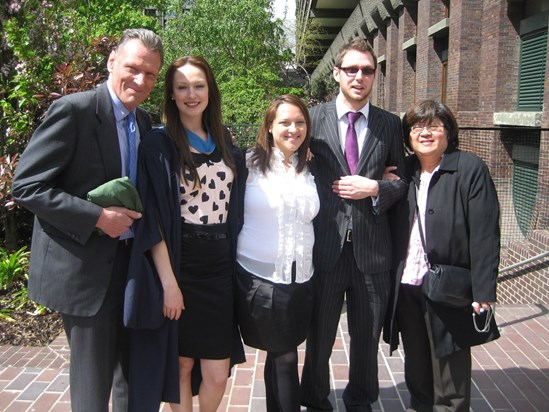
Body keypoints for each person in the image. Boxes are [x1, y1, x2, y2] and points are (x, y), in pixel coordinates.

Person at [11, 29, 163, 412]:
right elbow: (27, 186)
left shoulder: (144, 122)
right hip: (85, 272)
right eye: (133, 68)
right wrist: (97, 217)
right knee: (92, 387)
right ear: (112, 62)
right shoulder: (75, 111)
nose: (141, 80)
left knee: (131, 375)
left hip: (131, 268)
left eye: (151, 74)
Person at [123, 55, 244, 412]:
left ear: (210, 91)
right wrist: (169, 284)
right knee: (182, 364)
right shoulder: (158, 146)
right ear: (171, 95)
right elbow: (153, 218)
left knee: (218, 373)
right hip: (179, 259)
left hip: (220, 266)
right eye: (182, 87)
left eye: (198, 86)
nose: (191, 94)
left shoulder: (225, 143)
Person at [300, 37, 407, 412]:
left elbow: (403, 181)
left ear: (375, 75)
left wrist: (376, 186)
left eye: (367, 70)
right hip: (325, 248)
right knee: (320, 336)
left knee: (366, 339)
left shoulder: (390, 125)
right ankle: (314, 400)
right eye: (351, 69)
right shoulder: (312, 120)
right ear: (337, 73)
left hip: (372, 251)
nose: (359, 76)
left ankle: (361, 400)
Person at [384, 99, 500, 411]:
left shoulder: (469, 169)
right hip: (408, 285)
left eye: (434, 125)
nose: (425, 132)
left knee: (450, 370)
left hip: (450, 289)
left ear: (448, 132)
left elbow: (485, 234)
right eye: (417, 127)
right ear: (408, 136)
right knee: (417, 366)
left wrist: (484, 290)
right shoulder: (403, 171)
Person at [235, 94, 320, 412]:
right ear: (269, 126)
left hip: (302, 279)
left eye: (300, 123)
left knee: (280, 352)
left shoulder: (309, 166)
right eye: (285, 122)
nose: (293, 129)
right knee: (285, 355)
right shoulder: (247, 164)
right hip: (261, 279)